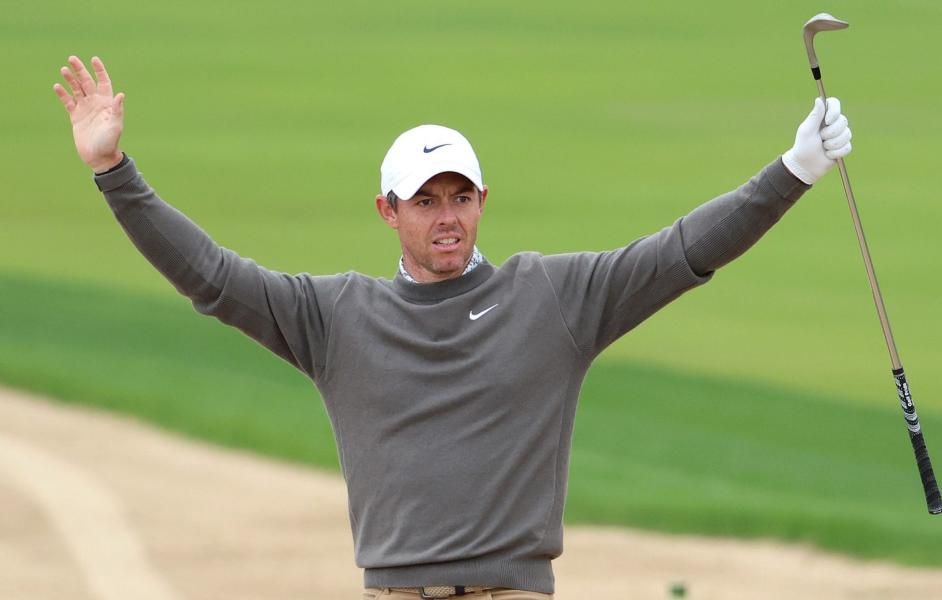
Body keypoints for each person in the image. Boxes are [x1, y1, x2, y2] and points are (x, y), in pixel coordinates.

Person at [54, 55, 851, 600]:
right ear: (387, 211)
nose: (447, 217)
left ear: (481, 201)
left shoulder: (551, 296)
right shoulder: (334, 315)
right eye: (426, 200)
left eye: (460, 197)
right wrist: (113, 173)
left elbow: (679, 253)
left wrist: (792, 171)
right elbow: (212, 277)